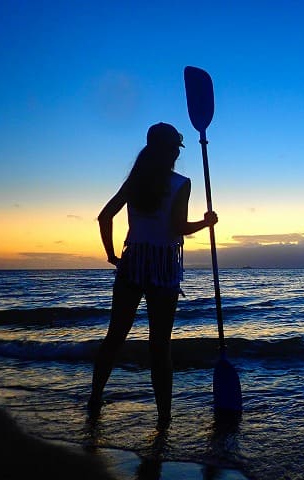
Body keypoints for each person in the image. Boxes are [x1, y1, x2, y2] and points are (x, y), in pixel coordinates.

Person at [88, 122, 217, 430]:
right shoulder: (181, 183)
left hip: (132, 263)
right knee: (160, 345)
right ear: (171, 150)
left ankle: (95, 398)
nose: (175, 153)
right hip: (162, 267)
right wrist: (206, 222)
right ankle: (164, 418)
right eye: (175, 148)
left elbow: (105, 217)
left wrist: (112, 256)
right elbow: (178, 229)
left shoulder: (135, 180)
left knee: (114, 337)